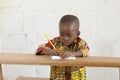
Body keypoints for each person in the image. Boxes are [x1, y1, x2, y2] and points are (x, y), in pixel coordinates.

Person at [36, 15, 89, 80]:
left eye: (69, 35)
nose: (65, 38)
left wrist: (73, 54)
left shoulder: (80, 42)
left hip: (76, 75)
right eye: (62, 34)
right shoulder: (55, 41)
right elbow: (40, 48)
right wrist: (49, 51)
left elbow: (86, 50)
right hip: (58, 75)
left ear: (77, 34)